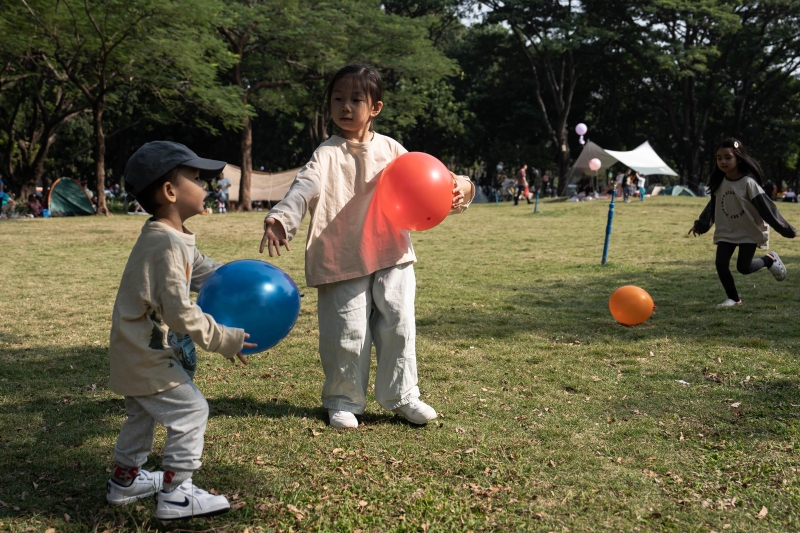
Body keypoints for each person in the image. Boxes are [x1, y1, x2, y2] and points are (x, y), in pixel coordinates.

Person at [260, 64, 475, 430]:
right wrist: (282, 217)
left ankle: (403, 395)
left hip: (391, 251)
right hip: (341, 255)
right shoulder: (326, 154)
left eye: (355, 99)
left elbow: (430, 176)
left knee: (400, 323)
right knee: (347, 331)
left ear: (375, 107)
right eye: (337, 99)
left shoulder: (391, 149)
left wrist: (464, 187)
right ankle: (344, 400)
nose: (345, 107)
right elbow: (304, 187)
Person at [106, 141, 255, 519]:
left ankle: (125, 481)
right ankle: (176, 494)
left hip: (133, 350)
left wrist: (238, 280)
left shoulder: (169, 233)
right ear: (170, 192)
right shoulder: (164, 244)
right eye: (196, 178)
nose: (206, 185)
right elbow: (180, 314)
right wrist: (225, 337)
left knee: (141, 416)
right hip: (146, 353)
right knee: (192, 412)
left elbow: (201, 267)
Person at [689, 138, 796, 307]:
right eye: (719, 158)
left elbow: (767, 208)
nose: (723, 161)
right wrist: (701, 225)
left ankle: (769, 260)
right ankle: (733, 299)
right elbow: (713, 206)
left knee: (744, 268)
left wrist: (786, 229)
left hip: (748, 231)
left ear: (738, 158)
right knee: (720, 263)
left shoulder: (749, 183)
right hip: (727, 230)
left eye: (728, 157)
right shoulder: (719, 182)